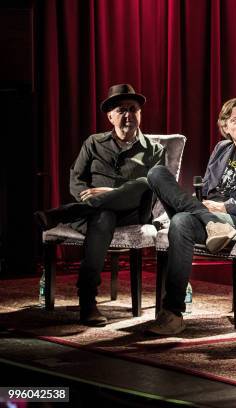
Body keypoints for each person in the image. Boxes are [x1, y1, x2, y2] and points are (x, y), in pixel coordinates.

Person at [145, 97, 236, 335]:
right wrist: (202, 206)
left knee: (181, 221)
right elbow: (207, 189)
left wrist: (226, 207)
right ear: (226, 126)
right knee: (156, 173)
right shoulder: (222, 149)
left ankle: (173, 313)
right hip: (207, 213)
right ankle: (205, 218)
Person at [34, 84, 165, 326]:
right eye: (122, 109)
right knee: (104, 217)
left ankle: (64, 213)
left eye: (133, 109)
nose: (128, 114)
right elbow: (76, 178)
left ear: (140, 114)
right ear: (110, 116)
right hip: (94, 215)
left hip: (134, 212)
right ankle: (88, 300)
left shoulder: (155, 150)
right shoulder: (93, 143)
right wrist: (92, 200)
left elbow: (156, 189)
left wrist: (114, 192)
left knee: (145, 182)